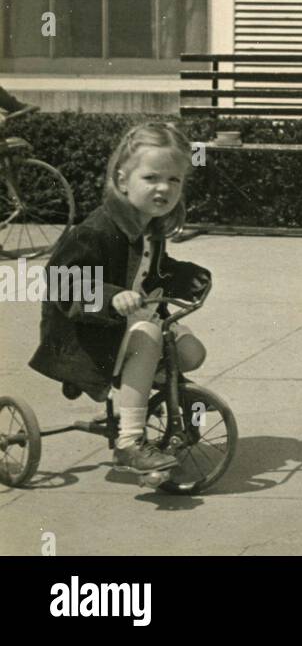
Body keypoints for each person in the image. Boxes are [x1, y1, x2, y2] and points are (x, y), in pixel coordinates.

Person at [29, 122, 210, 474]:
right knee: (150, 338)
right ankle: (129, 441)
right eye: (152, 178)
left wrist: (189, 277)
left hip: (130, 321)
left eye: (174, 180)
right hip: (89, 332)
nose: (164, 188)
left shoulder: (149, 226)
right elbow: (62, 282)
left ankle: (134, 392)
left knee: (191, 352)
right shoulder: (96, 231)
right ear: (123, 179)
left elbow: (152, 269)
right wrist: (111, 297)